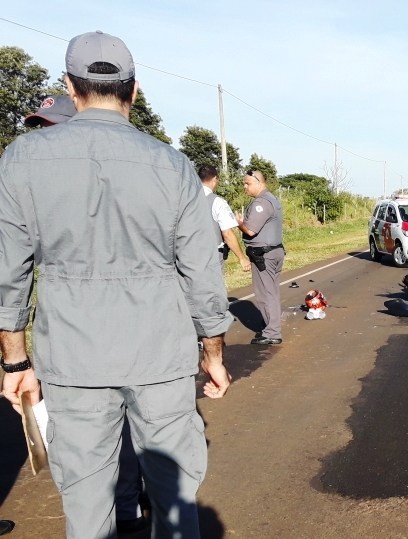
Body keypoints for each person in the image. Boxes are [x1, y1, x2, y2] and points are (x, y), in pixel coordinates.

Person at [0, 31, 232, 538]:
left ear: (70, 86)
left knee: (86, 506)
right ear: (135, 90)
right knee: (173, 503)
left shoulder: (21, 160)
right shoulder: (173, 166)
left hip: (72, 356)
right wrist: (212, 352)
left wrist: (15, 360)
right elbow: (201, 271)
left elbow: (8, 273)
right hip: (160, 356)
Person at [26, 94, 152, 535]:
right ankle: (122, 505)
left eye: (52, 127)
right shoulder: (37, 183)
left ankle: (127, 506)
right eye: (40, 129)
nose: (45, 138)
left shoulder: (120, 174)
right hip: (69, 335)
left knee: (117, 431)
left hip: (123, 333)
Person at [235, 170, 285, 345]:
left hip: (264, 255)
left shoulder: (261, 203)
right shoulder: (272, 199)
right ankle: (271, 328)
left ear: (259, 182)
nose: (245, 187)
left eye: (247, 183)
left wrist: (239, 223)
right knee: (271, 291)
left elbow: (250, 230)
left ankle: (272, 332)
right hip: (272, 252)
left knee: (265, 293)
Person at [198, 165, 251, 273]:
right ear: (215, 179)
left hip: (187, 255)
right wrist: (242, 257)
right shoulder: (217, 202)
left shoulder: (185, 200)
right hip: (211, 256)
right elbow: (227, 233)